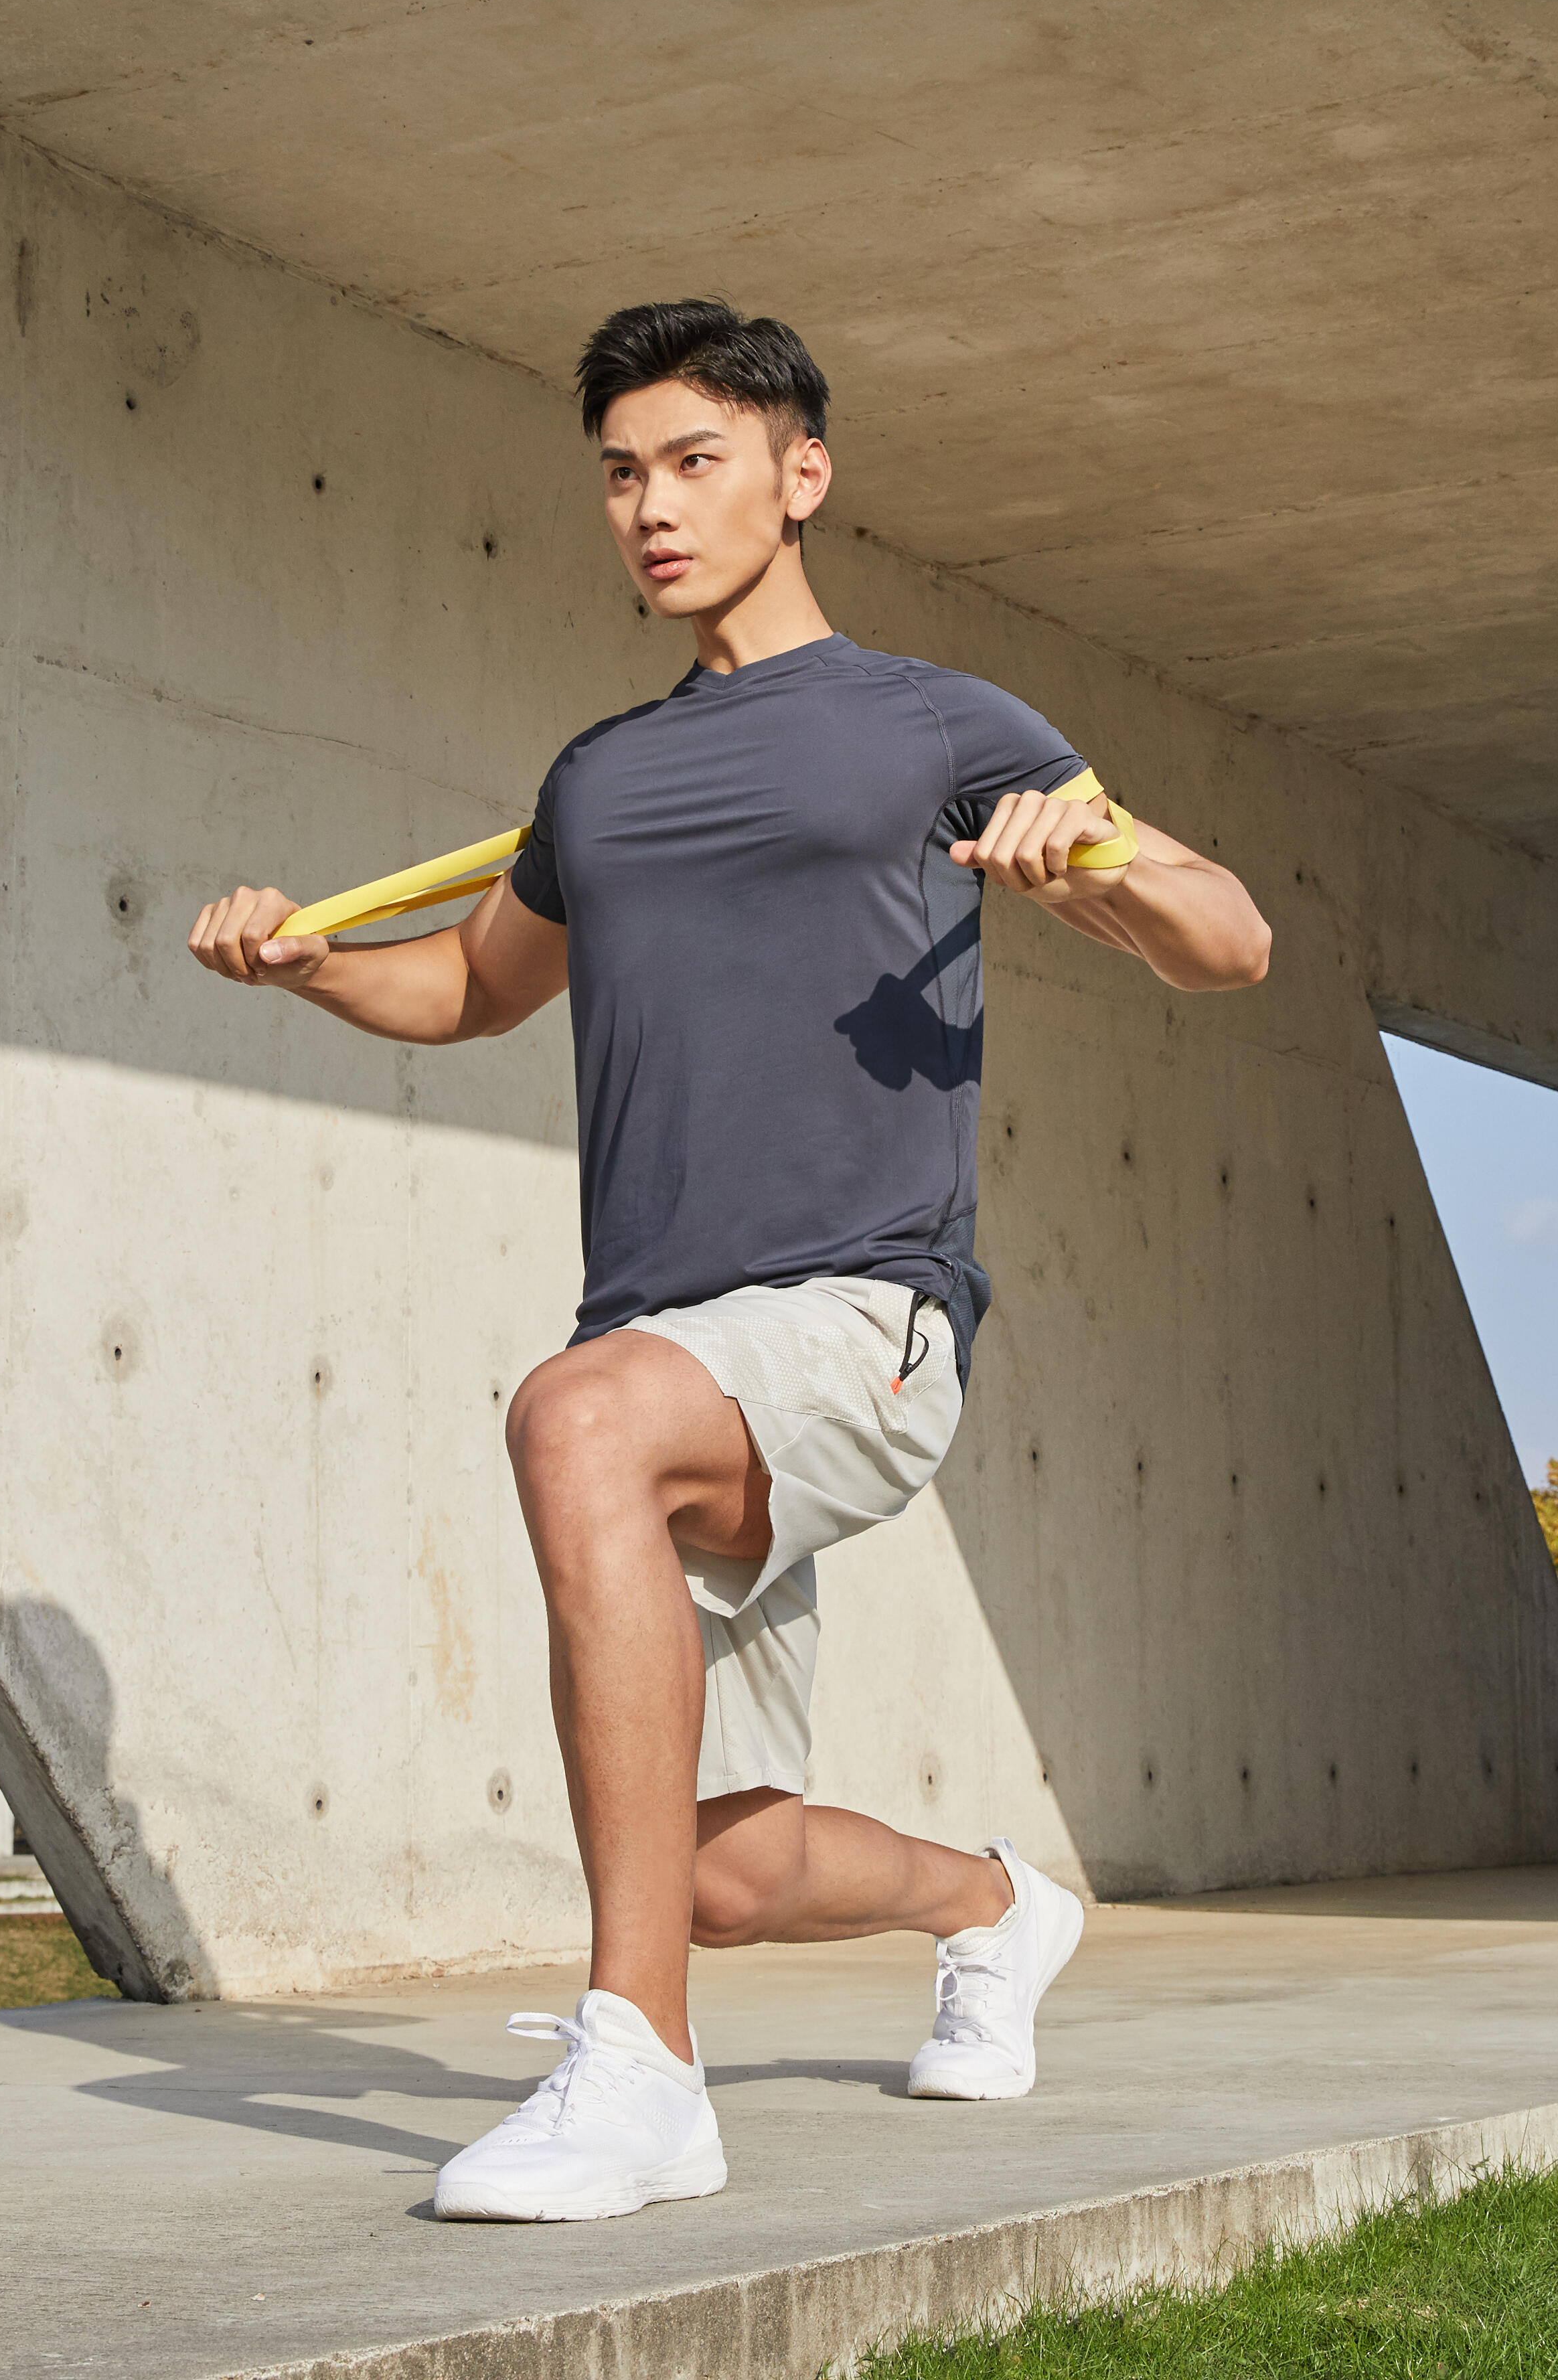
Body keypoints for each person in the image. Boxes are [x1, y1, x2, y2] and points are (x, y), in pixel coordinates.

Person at [187, 299, 1274, 2223]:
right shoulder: (597, 781)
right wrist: (312, 964)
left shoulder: (943, 727)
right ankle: (1000, 1910)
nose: (652, 507)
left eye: (695, 462)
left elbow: (1231, 935)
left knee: (572, 1423)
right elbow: (464, 989)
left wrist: (1088, 866)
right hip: (676, 1341)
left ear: (802, 476)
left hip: (868, 1314)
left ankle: (641, 2075)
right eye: (621, 473)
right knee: (718, 1873)